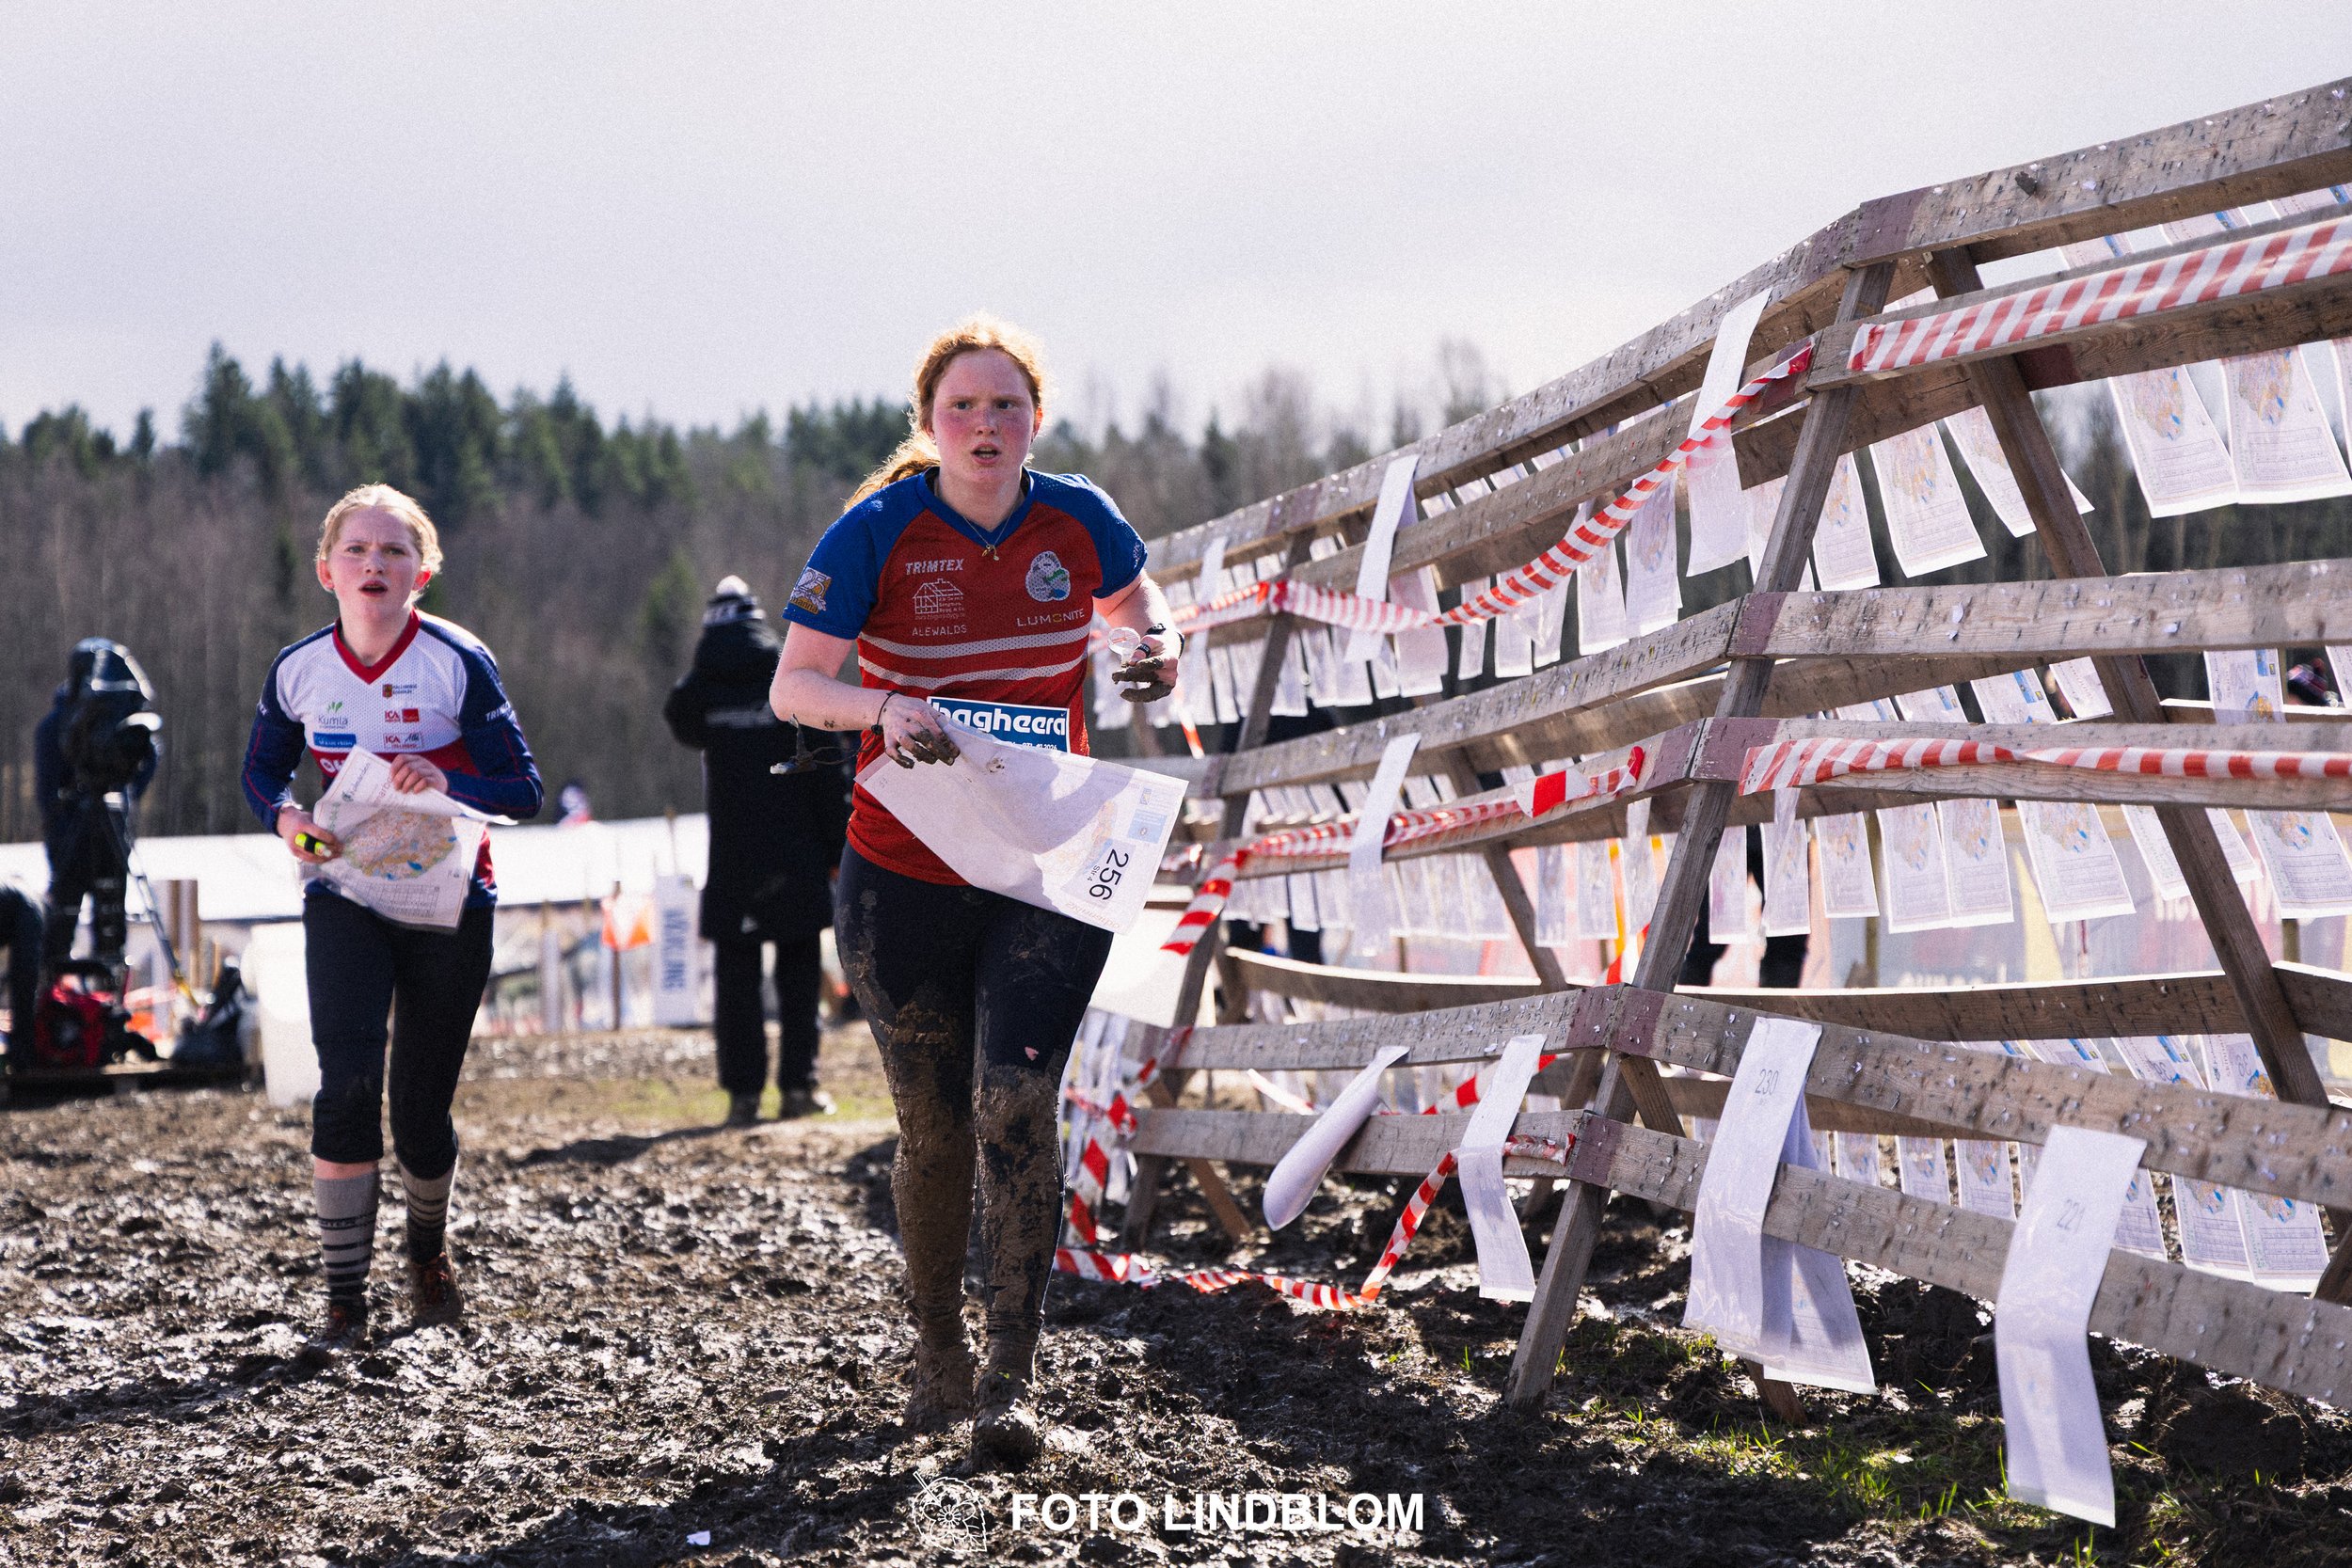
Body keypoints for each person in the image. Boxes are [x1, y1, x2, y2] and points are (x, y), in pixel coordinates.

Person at [769, 318, 1178, 1465]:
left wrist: (1156, 645)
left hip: (1045, 858)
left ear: (1035, 420)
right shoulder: (877, 531)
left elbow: (1139, 605)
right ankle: (936, 1345)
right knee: (936, 1121)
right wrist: (882, 708)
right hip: (905, 863)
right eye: (963, 407)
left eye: (1006, 405)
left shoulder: (1079, 518)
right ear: (929, 423)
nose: (985, 425)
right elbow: (795, 686)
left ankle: (1011, 1371)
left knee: (1016, 1095)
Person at [242, 483, 542, 1346]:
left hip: (450, 901)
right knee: (343, 1087)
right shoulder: (298, 668)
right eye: (357, 550)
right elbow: (261, 773)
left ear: (423, 572)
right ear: (326, 570)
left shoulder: (458, 660)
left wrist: (450, 779)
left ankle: (426, 1249)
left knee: (418, 1110)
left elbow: (524, 789)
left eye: (394, 551)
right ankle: (344, 1299)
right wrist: (286, 819)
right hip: (344, 893)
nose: (374, 563)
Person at [664, 575, 851, 1125]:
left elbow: (679, 717)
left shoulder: (705, 691)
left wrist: (708, 656)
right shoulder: (789, 680)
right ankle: (798, 1088)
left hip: (733, 861)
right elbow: (827, 769)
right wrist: (838, 849)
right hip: (798, 854)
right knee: (799, 978)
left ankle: (743, 1096)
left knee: (737, 986)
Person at [35, 639, 161, 979]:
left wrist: (58, 829)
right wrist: (127, 794)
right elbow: (148, 754)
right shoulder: (69, 724)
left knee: (70, 916)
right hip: (102, 824)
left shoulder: (55, 724)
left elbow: (46, 793)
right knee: (103, 915)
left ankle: (66, 989)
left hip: (83, 825)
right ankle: (93, 988)